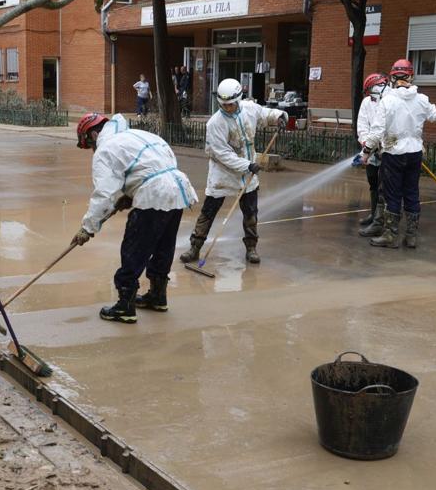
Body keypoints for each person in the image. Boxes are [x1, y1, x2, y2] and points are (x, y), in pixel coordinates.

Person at [72, 112, 198, 323]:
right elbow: (153, 166)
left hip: (154, 195)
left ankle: (125, 306)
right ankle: (158, 296)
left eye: (89, 145)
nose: (92, 150)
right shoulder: (138, 135)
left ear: (93, 134)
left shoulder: (105, 149)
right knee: (163, 247)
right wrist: (130, 195)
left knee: (134, 249)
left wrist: (88, 228)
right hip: (178, 190)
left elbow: (104, 194)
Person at [180, 78, 288, 266]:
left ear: (239, 100)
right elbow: (222, 154)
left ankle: (251, 248)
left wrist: (279, 116)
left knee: (251, 213)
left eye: (231, 104)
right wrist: (247, 165)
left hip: (248, 175)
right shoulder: (215, 123)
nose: (228, 108)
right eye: (224, 105)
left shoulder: (249, 109)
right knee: (208, 212)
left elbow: (265, 113)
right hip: (222, 174)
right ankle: (195, 247)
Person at [361, 58, 436, 249]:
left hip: (394, 155)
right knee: (412, 193)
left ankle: (390, 236)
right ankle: (411, 236)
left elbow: (377, 132)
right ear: (411, 76)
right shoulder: (421, 100)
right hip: (414, 154)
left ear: (393, 78)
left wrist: (365, 153)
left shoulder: (387, 101)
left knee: (393, 195)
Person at [355, 73, 388, 237]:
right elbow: (362, 125)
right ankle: (374, 214)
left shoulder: (390, 102)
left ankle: (381, 221)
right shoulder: (366, 103)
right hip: (370, 151)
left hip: (387, 152)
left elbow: (386, 128)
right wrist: (365, 144)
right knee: (373, 184)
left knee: (385, 188)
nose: (370, 96)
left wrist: (378, 146)